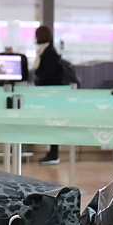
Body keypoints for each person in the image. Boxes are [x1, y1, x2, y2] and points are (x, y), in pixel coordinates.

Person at [32, 24, 76, 164]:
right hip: (53, 94)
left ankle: (53, 153)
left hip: (52, 95)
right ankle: (52, 153)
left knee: (52, 122)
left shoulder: (48, 53)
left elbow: (46, 75)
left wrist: (38, 80)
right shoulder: (47, 51)